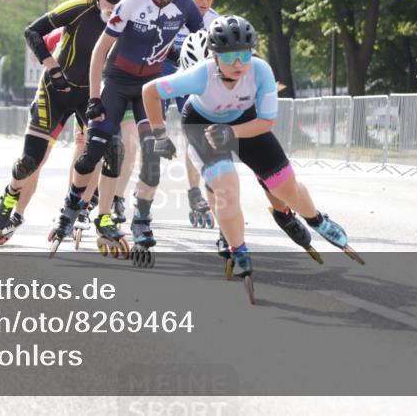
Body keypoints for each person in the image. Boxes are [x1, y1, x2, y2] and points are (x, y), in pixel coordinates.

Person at [141, 15, 361, 280]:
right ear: (214, 55)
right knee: (227, 189)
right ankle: (239, 249)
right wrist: (160, 134)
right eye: (230, 56)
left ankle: (316, 220)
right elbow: (149, 91)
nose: (238, 64)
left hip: (245, 122)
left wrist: (231, 132)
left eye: (244, 56)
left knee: (285, 187)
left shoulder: (260, 70)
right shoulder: (200, 75)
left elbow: (267, 121)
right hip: (202, 125)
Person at [53, 0, 203, 262]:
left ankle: (141, 221)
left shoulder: (186, 7)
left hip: (148, 88)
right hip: (117, 82)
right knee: (99, 149)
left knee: (151, 155)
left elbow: (204, 47)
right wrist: (94, 98)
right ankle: (74, 204)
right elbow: (100, 50)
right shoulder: (133, 1)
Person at [0, 0, 135, 248]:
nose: (115, 8)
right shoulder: (81, 6)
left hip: (88, 93)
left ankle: (79, 209)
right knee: (32, 161)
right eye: (111, 1)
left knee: (111, 149)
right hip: (55, 90)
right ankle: (11, 193)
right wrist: (53, 69)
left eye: (121, 3)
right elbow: (33, 32)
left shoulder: (127, 17)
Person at [163, 0, 221, 226]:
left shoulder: (216, 22)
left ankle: (195, 192)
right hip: (165, 70)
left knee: (195, 134)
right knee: (151, 129)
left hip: (193, 76)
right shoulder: (172, 11)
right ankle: (144, 187)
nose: (205, 2)